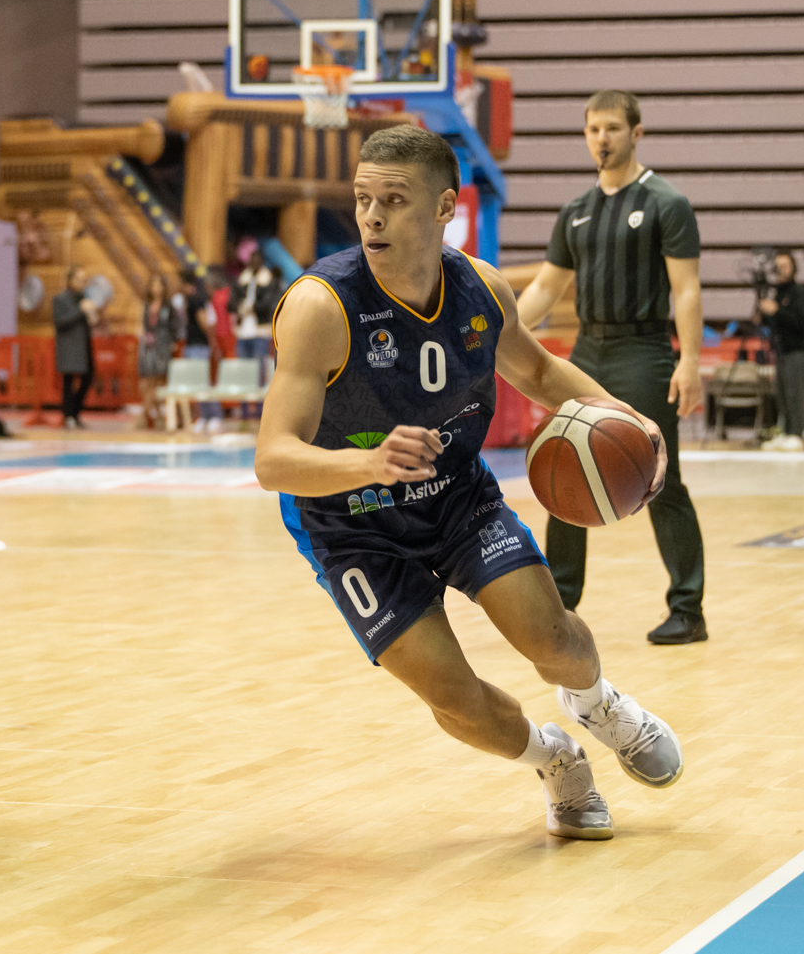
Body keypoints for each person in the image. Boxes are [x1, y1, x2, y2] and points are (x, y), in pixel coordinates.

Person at [257, 124, 681, 842]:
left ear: (444, 207)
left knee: (554, 638)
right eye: (363, 199)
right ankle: (556, 760)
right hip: (350, 523)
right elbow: (273, 458)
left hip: (455, 496)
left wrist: (626, 417)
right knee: (452, 695)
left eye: (394, 200)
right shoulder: (320, 306)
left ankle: (598, 704)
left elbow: (538, 370)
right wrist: (370, 463)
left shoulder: (480, 288)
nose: (372, 217)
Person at [516, 90, 708, 646]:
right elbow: (547, 288)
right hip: (587, 350)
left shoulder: (667, 202)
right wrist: (498, 333)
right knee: (562, 468)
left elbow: (687, 289)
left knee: (660, 476)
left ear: (636, 133)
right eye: (593, 129)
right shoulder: (575, 211)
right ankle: (559, 604)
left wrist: (690, 361)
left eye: (612, 128)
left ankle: (687, 608)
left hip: (643, 351)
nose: (601, 138)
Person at [758, 250, 804, 451]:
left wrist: (777, 311)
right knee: (781, 394)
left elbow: (801, 322)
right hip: (780, 351)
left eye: (785, 266)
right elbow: (773, 323)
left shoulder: (799, 292)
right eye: (778, 267)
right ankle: (786, 431)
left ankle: (796, 433)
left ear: (793, 268)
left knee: (794, 392)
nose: (781, 270)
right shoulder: (777, 293)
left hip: (796, 350)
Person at [230, 244, 281, 419]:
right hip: (243, 331)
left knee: (259, 372)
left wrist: (251, 307)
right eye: (251, 260)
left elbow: (268, 304)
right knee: (244, 372)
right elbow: (232, 302)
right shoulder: (242, 280)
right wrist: (240, 307)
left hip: (260, 331)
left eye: (257, 260)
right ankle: (245, 411)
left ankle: (260, 411)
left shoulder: (268, 281)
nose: (254, 263)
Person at [53, 265, 98, 429]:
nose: (82, 283)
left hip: (84, 345)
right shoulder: (60, 299)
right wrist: (80, 310)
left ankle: (75, 411)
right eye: (79, 279)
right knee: (68, 381)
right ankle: (68, 415)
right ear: (71, 280)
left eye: (84, 280)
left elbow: (92, 321)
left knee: (88, 377)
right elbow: (60, 321)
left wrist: (92, 313)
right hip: (69, 346)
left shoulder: (84, 298)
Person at [178, 268, 222, 432]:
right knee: (196, 383)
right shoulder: (189, 298)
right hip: (192, 344)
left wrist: (211, 342)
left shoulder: (196, 299)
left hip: (198, 345)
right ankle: (202, 416)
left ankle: (215, 415)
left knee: (203, 381)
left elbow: (204, 321)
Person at [138, 273, 176, 429]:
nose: (156, 288)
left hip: (162, 346)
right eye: (154, 285)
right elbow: (144, 325)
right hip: (148, 347)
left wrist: (171, 342)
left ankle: (149, 415)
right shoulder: (147, 305)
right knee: (147, 382)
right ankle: (152, 414)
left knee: (159, 381)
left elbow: (174, 327)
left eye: (159, 285)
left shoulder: (168, 306)